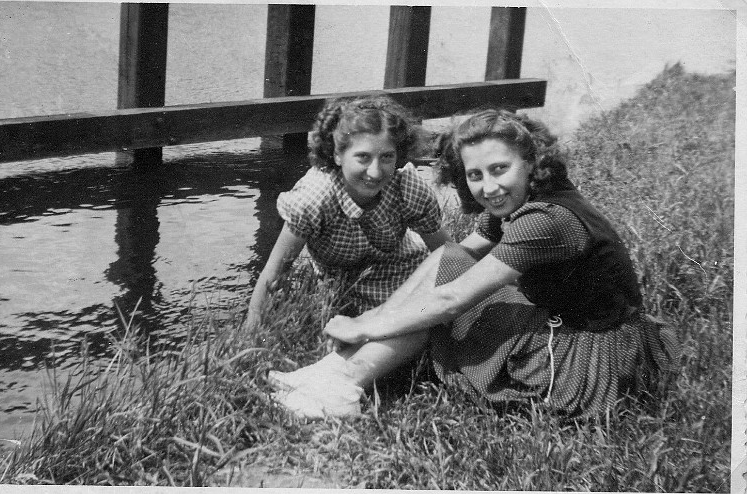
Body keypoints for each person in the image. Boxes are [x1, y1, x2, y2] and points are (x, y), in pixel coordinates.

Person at [272, 108, 678, 420]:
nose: (490, 187)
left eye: (500, 169)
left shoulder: (546, 219)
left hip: (594, 358)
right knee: (448, 260)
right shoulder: (519, 200)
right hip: (573, 325)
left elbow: (451, 299)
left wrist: (364, 326)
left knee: (446, 300)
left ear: (531, 162)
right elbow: (449, 258)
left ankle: (346, 382)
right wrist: (375, 319)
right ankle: (335, 369)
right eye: (475, 175)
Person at [247, 96, 451, 408]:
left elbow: (447, 254)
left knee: (421, 319)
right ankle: (323, 377)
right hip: (344, 290)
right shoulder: (314, 198)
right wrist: (251, 337)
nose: (375, 171)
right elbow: (274, 274)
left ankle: (337, 385)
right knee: (389, 326)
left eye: (387, 157)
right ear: (337, 154)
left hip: (405, 276)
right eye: (363, 157)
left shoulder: (406, 187)